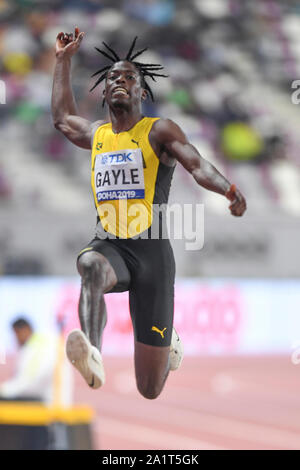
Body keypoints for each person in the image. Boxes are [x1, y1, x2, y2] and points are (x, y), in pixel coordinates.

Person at [51, 27, 246, 400]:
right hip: (111, 245)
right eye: (112, 78)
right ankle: (92, 352)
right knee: (90, 266)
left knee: (149, 388)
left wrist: (228, 189)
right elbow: (61, 118)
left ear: (141, 92)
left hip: (153, 255)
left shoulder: (159, 131)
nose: (119, 81)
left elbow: (198, 164)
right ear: (105, 93)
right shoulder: (97, 134)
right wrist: (62, 61)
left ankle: (167, 342)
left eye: (129, 78)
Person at [0, 317, 72, 404]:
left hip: (49, 404)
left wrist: (4, 390)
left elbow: (27, 382)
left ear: (25, 330)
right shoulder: (40, 344)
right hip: (46, 400)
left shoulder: (39, 347)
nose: (16, 339)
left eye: (16, 334)